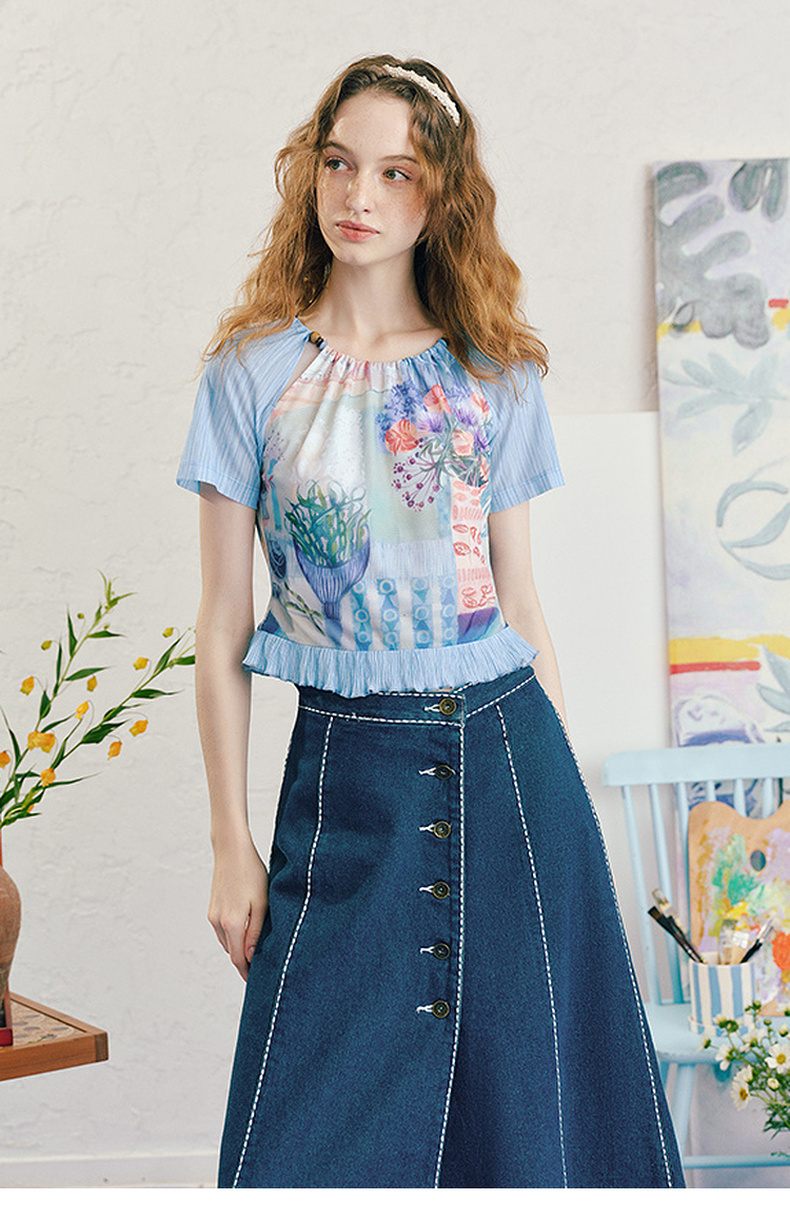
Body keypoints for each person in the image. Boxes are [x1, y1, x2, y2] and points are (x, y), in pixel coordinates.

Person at [177, 54, 684, 1190]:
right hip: (342, 776)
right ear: (310, 173)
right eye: (339, 164)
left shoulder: (494, 377)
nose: (359, 195)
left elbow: (521, 601)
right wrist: (229, 843)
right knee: (302, 1127)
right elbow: (220, 625)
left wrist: (570, 819)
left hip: (511, 763)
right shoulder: (250, 377)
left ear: (440, 195)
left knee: (526, 1118)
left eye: (396, 173)